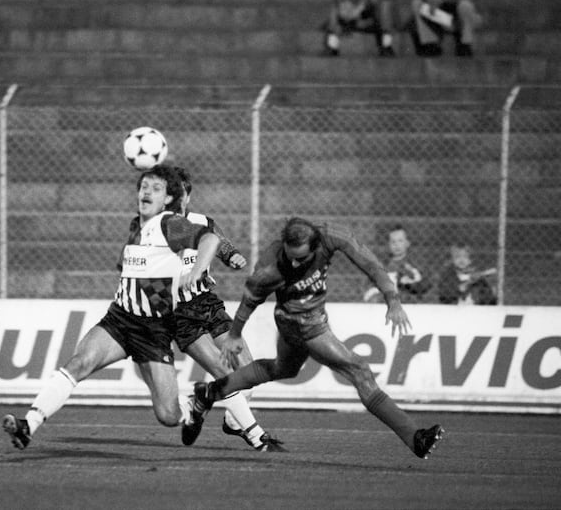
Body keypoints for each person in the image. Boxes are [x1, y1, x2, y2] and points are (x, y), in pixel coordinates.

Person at [2, 164, 222, 450]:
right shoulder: (136, 225)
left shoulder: (170, 224)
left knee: (168, 415)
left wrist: (196, 271)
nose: (146, 192)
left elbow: (210, 238)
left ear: (168, 199)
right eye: (144, 187)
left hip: (154, 330)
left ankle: (195, 406)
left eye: (156, 189)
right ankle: (28, 424)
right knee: (80, 362)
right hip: (120, 319)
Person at [186, 217, 444, 459]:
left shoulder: (332, 235)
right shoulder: (270, 266)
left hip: (305, 318)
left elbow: (369, 263)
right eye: (291, 257)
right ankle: (414, 438)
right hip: (301, 324)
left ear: (316, 244)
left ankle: (209, 392)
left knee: (283, 368)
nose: (295, 264)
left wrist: (392, 298)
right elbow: (249, 301)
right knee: (359, 370)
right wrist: (234, 334)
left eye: (302, 258)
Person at [173, 166, 284, 452]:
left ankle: (226, 418)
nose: (177, 199)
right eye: (171, 194)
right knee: (222, 371)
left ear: (187, 195)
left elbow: (221, 244)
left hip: (207, 303)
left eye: (181, 194)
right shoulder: (156, 229)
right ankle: (256, 436)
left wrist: (232, 255)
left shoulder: (202, 222)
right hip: (179, 311)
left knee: (246, 367)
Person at [363, 224, 432, 302]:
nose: (397, 245)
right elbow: (368, 290)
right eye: (393, 242)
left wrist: (408, 284)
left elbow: (426, 286)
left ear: (407, 243)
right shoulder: (381, 266)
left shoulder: (415, 265)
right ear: (388, 244)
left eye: (400, 241)